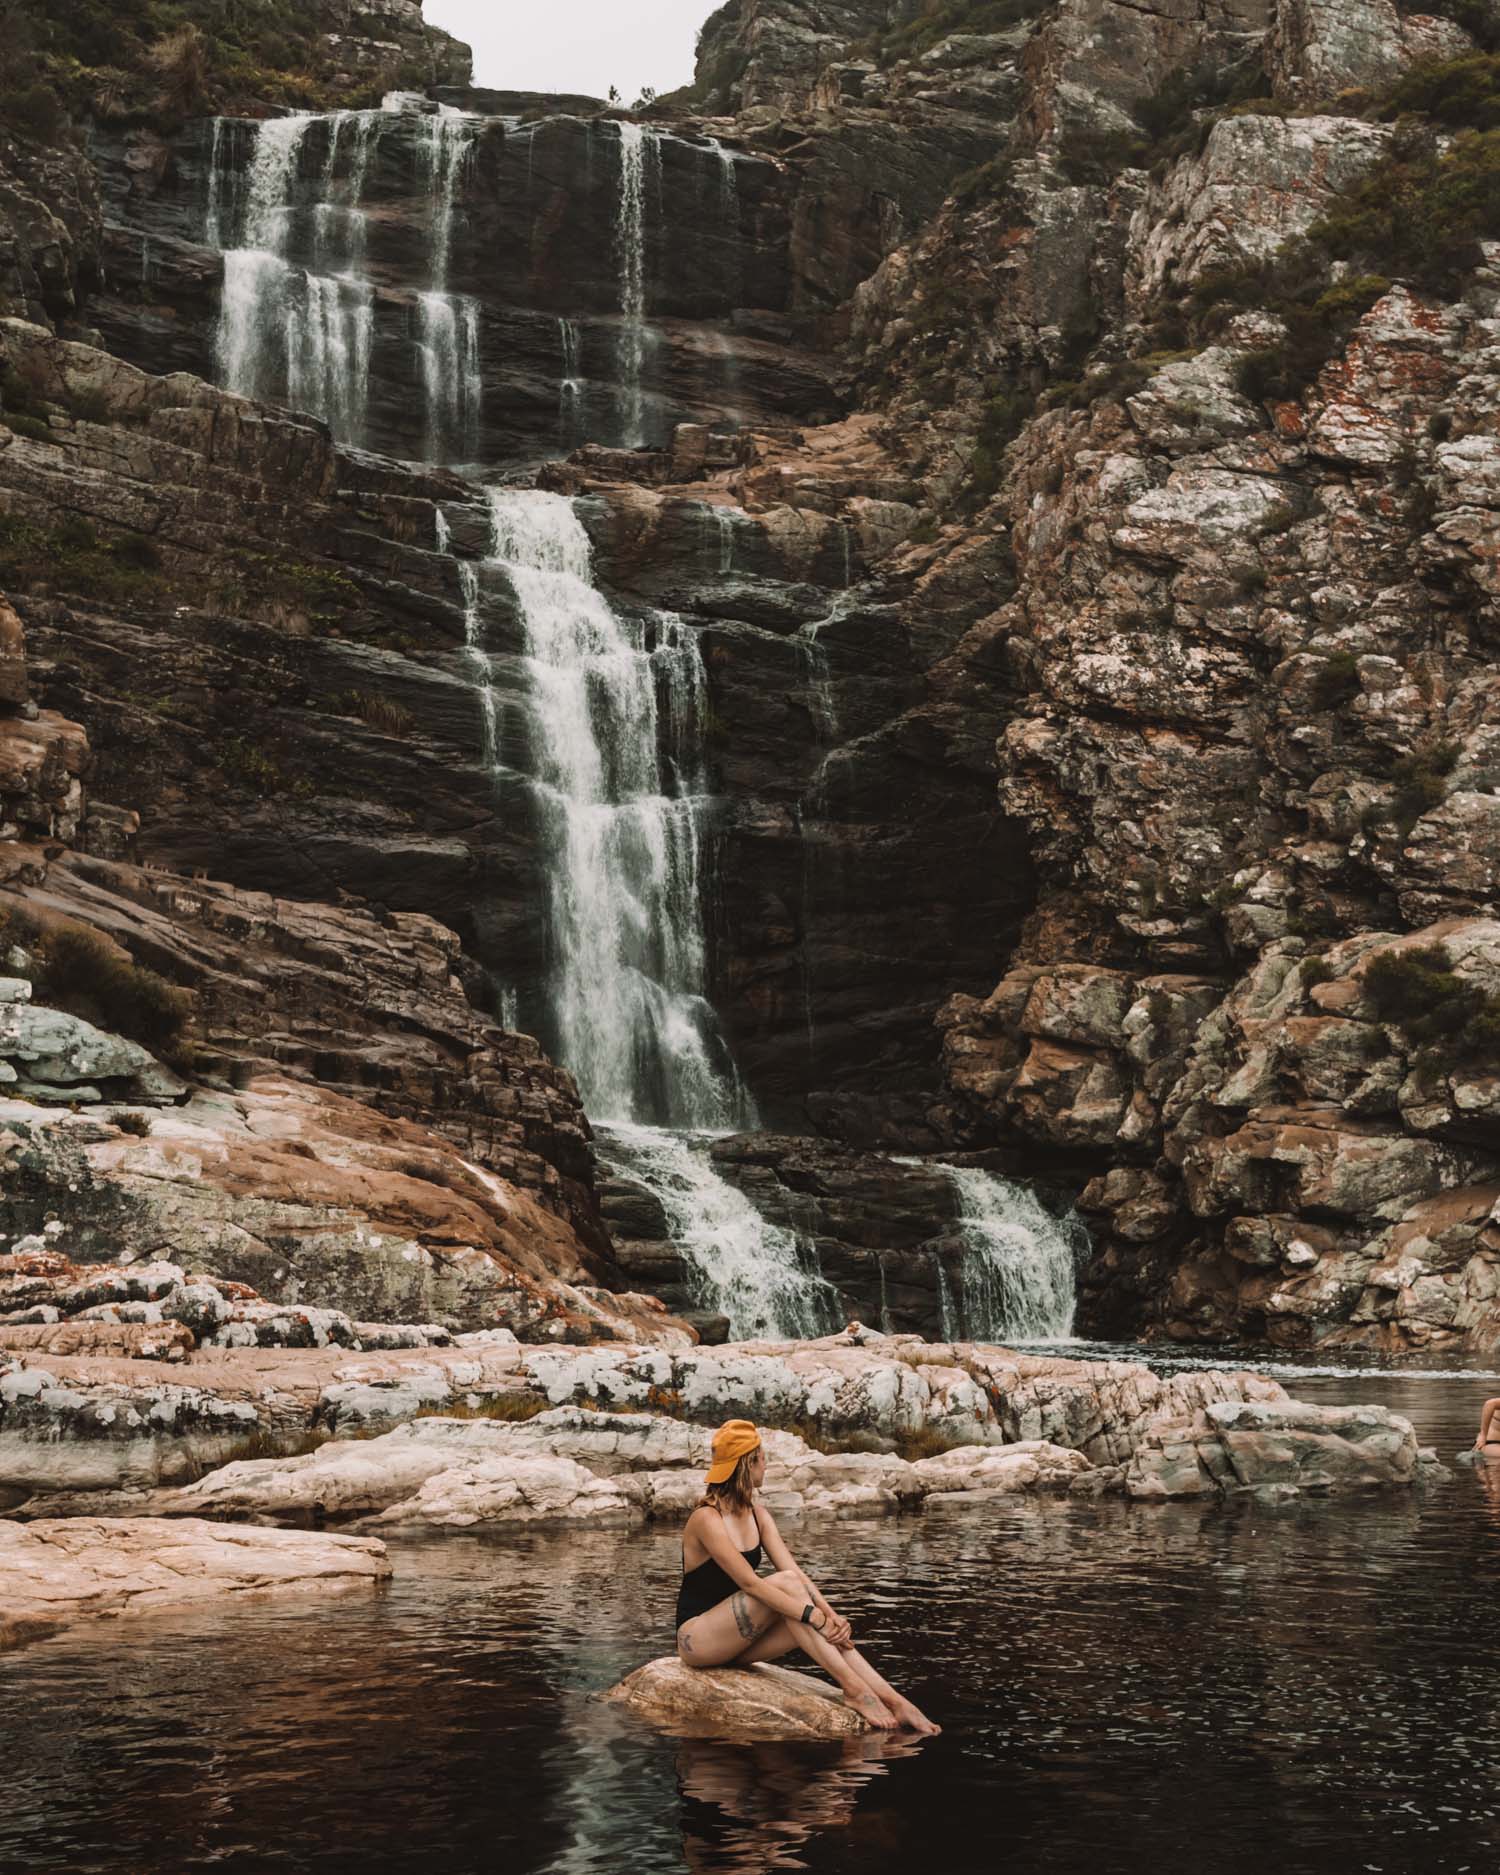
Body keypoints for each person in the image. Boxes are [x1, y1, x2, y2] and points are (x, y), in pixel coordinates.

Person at [673, 1419, 940, 1735]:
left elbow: (796, 1572)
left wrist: (832, 1616)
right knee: (788, 1590)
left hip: (736, 1643)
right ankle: (854, 1689)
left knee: (803, 1602)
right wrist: (813, 1615)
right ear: (749, 1463)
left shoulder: (759, 1515)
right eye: (762, 1457)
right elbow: (750, 1583)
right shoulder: (706, 1518)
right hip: (698, 1641)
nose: (766, 1464)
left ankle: (896, 1700)